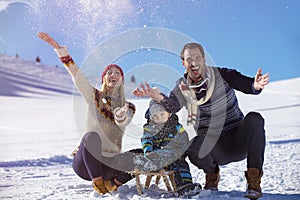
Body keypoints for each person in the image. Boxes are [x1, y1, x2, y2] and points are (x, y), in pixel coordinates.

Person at [133, 42, 269, 199]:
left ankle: (253, 181)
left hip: (239, 140)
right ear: (183, 63)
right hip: (214, 147)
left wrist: (255, 85)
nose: (194, 63)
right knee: (192, 143)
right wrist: (156, 96)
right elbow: (172, 106)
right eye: (189, 59)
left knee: (254, 119)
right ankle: (212, 174)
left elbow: (247, 85)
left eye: (197, 58)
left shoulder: (223, 74)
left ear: (204, 59)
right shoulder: (183, 87)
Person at [38, 32, 138, 195]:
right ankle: (98, 184)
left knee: (139, 155)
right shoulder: (95, 97)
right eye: (109, 72)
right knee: (90, 137)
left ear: (122, 80)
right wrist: (62, 53)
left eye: (117, 73)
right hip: (86, 164)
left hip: (110, 164)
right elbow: (78, 77)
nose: (113, 75)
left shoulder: (129, 107)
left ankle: (113, 183)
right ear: (104, 78)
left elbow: (123, 122)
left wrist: (121, 113)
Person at [141, 100, 201, 195]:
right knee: (152, 159)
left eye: (162, 114)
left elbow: (184, 140)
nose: (159, 118)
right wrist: (148, 151)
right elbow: (146, 140)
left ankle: (185, 186)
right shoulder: (149, 128)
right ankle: (151, 165)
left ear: (169, 113)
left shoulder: (176, 127)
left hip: (173, 155)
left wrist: (181, 150)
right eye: (155, 116)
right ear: (151, 117)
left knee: (181, 166)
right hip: (157, 156)